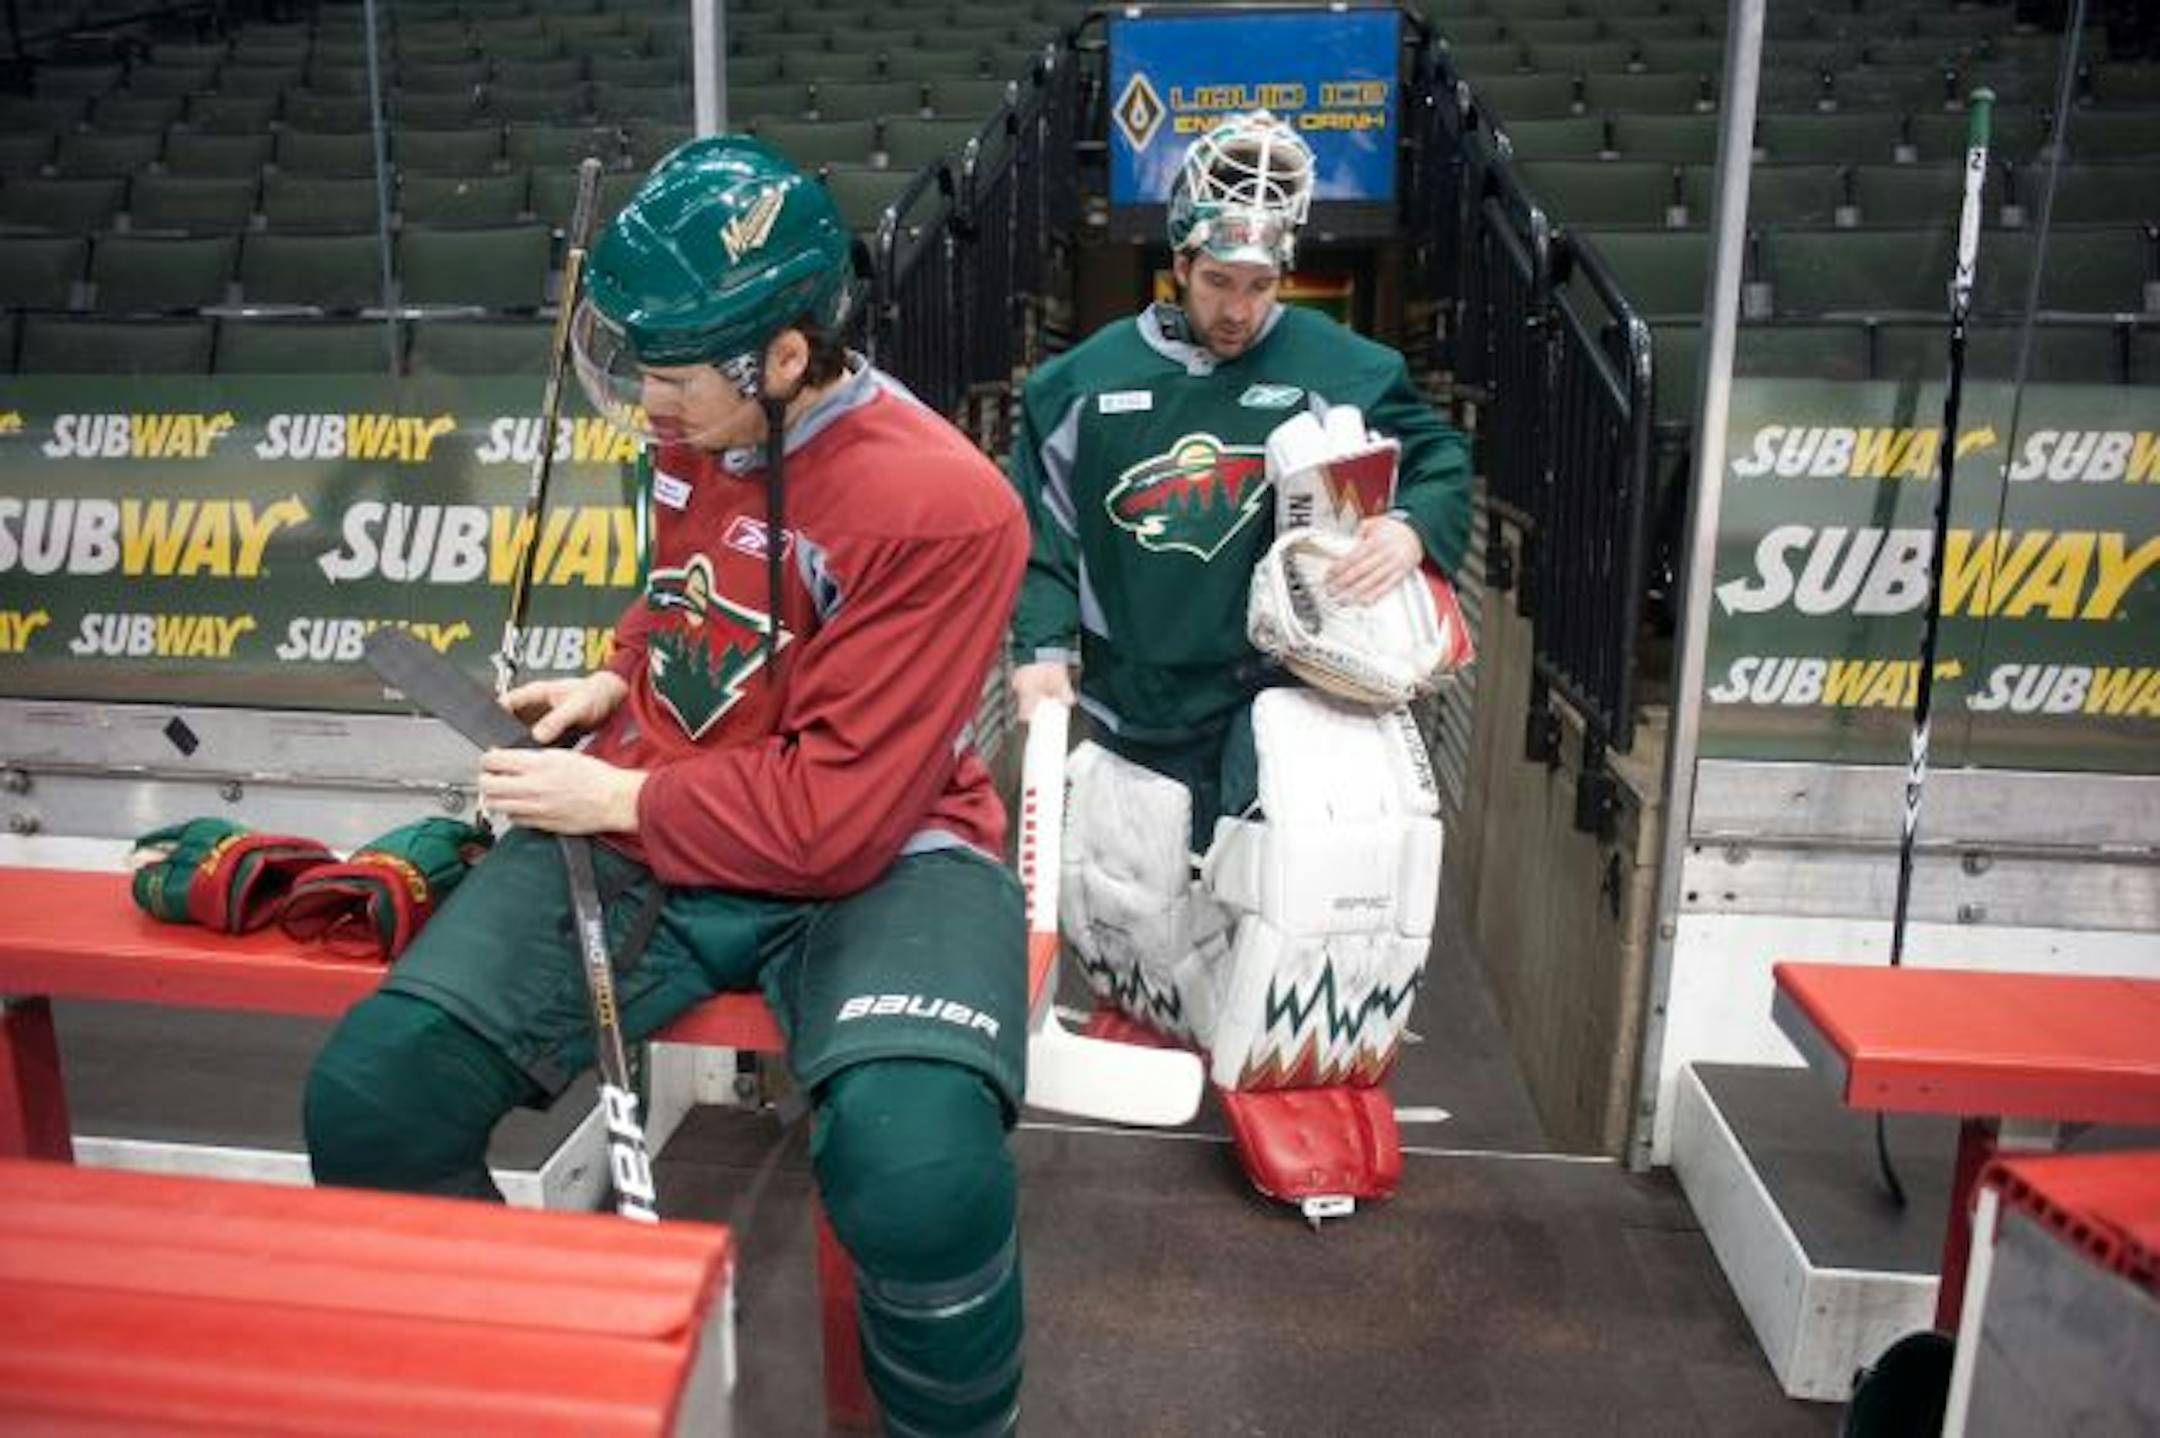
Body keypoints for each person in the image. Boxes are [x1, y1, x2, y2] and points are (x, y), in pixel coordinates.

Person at [304, 136, 1031, 1436]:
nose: (646, 403)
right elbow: (689, 581)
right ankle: (538, 1403)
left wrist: (617, 803)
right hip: (675, 793)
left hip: (885, 844)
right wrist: (617, 675)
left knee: (922, 1175)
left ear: (787, 359)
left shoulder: (945, 507)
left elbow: (837, 818)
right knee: (373, 1099)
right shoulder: (707, 420)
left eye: (671, 376)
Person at [1007, 110, 1474, 1217]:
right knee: (1133, 876)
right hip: (1133, 684)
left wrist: (1411, 525)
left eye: (1260, 286)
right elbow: (1041, 531)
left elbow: (1441, 457)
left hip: (1271, 692)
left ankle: (1291, 1065)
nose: (1239, 308)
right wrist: (1039, 647)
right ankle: (1162, 1010)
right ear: (1178, 263)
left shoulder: (1336, 364)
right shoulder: (1078, 384)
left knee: (1289, 877)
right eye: (1219, 281)